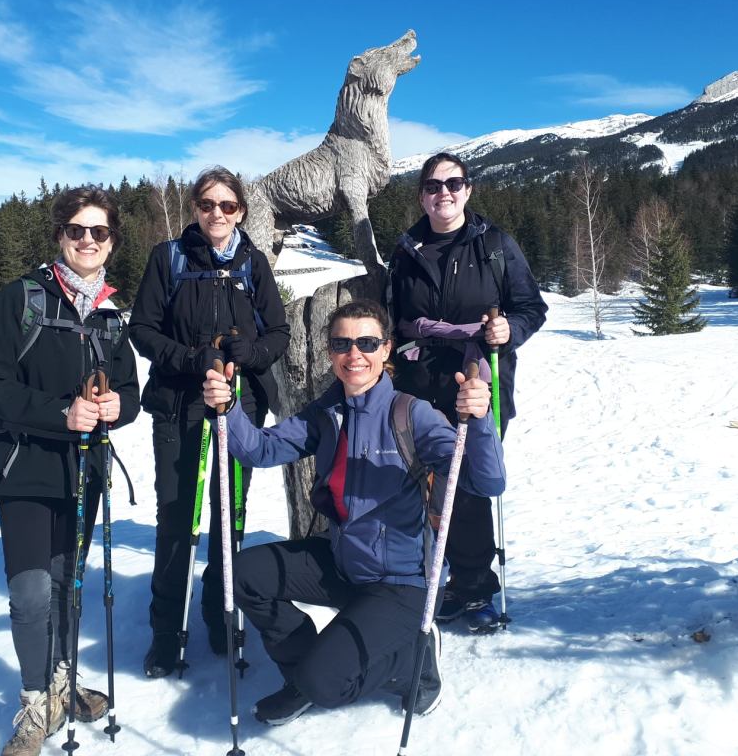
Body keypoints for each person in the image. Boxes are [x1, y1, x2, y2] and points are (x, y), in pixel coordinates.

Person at [201, 299, 505, 725]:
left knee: (328, 684)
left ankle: (410, 665)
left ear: (386, 350)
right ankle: (304, 672)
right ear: (329, 352)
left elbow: (485, 482)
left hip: (402, 585)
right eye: (342, 343)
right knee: (244, 572)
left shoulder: (410, 414)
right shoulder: (327, 413)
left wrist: (481, 419)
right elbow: (259, 450)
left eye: (366, 342)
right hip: (344, 566)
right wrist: (228, 407)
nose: (354, 354)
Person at [0, 186, 141, 756]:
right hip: (25, 465)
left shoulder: (112, 315)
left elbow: (130, 390)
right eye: (76, 230)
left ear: (112, 241)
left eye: (98, 232)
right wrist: (58, 413)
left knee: (70, 581)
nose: (87, 240)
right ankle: (34, 700)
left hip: (83, 469)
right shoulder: (21, 298)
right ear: (59, 235)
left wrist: (121, 407)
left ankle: (63, 679)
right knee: (32, 590)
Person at [129, 166, 290, 678]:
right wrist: (189, 358)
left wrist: (254, 350)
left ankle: (222, 616)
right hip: (180, 407)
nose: (216, 214)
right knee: (177, 519)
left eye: (227, 205)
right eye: (206, 204)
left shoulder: (253, 261)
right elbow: (143, 330)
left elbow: (279, 331)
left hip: (239, 406)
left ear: (240, 211)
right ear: (195, 208)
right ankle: (165, 631)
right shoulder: (169, 258)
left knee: (230, 514)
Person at [387, 152, 547, 634]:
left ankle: (474, 583)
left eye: (453, 184)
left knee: (471, 484)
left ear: (468, 190)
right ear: (421, 195)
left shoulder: (494, 244)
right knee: (419, 482)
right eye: (434, 186)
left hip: (477, 377)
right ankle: (418, 579)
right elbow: (394, 312)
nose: (444, 194)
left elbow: (530, 307)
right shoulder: (407, 247)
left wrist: (508, 331)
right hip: (417, 380)